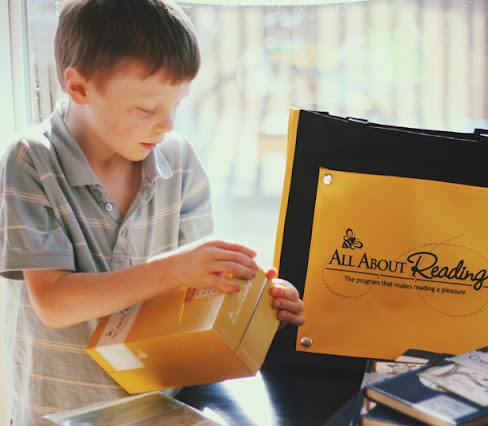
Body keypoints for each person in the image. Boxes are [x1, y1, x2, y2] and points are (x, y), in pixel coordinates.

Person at [0, 0, 305, 424]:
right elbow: (53, 302)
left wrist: (256, 305)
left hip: (159, 406)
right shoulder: (31, 160)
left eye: (176, 105)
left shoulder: (178, 161)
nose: (167, 125)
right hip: (58, 411)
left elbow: (192, 296)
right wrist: (177, 269)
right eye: (147, 109)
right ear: (79, 88)